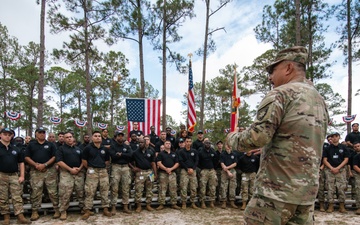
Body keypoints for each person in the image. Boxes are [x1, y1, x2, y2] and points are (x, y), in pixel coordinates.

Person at [227, 46, 328, 224]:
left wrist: (232, 138)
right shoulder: (319, 99)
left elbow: (257, 137)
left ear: (288, 68)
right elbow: (301, 138)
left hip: (275, 194)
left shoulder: (281, 94)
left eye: (273, 70)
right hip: (306, 196)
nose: (270, 77)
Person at [25, 127, 59, 221]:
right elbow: (27, 157)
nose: (42, 134)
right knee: (36, 191)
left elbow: (55, 156)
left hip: (50, 170)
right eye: (40, 132)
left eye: (43, 132)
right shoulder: (31, 145)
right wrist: (36, 165)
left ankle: (56, 209)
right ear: (36, 134)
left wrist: (45, 164)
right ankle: (35, 211)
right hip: (36, 171)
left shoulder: (50, 145)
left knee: (53, 191)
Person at [0, 128, 31, 224]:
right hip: (1, 175)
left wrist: (22, 176)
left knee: (17, 197)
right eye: (5, 134)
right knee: (3, 197)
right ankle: (6, 218)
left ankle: (20, 216)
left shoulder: (15, 148)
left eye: (9, 134)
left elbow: (21, 163)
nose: (7, 136)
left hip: (14, 175)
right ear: (0, 135)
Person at [81, 131, 112, 220]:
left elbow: (107, 161)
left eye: (99, 136)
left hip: (103, 171)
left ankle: (105, 209)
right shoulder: (87, 148)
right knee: (90, 191)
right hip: (92, 171)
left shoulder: (104, 149)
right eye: (95, 136)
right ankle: (87, 210)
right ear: (92, 138)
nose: (98, 137)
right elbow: (84, 161)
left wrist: (102, 167)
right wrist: (91, 168)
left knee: (105, 190)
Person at [56, 131, 85, 220]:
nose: (69, 138)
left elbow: (83, 161)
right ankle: (63, 211)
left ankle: (83, 208)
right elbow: (59, 161)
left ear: (73, 138)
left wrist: (79, 169)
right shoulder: (60, 149)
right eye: (67, 137)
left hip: (78, 173)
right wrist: (70, 169)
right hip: (66, 173)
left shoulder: (78, 149)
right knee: (65, 193)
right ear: (64, 139)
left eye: (71, 137)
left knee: (81, 191)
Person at [323, 132, 349, 213]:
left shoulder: (344, 147)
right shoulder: (327, 148)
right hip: (330, 170)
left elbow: (346, 159)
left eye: (336, 136)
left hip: (341, 170)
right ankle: (330, 206)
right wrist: (332, 168)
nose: (334, 138)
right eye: (332, 137)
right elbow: (324, 160)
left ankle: (342, 206)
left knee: (341, 188)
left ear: (339, 137)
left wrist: (338, 168)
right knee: (330, 188)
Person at [129, 138, 157, 213]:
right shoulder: (135, 152)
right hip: (140, 173)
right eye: (139, 142)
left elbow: (153, 163)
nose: (140, 143)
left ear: (145, 143)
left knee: (149, 189)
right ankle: (139, 206)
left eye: (142, 142)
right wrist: (133, 168)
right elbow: (129, 161)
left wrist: (155, 173)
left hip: (149, 172)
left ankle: (148, 205)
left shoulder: (151, 151)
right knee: (139, 189)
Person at [109, 131, 133, 215]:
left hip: (125, 167)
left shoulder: (126, 146)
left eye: (121, 136)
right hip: (116, 167)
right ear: (116, 137)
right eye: (119, 136)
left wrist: (121, 154)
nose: (120, 137)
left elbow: (130, 155)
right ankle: (113, 207)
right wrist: (121, 155)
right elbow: (113, 156)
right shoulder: (113, 146)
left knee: (126, 187)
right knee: (114, 187)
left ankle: (125, 206)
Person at [156, 140, 180, 210]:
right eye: (166, 143)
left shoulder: (174, 154)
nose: (168, 144)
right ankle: (161, 204)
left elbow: (177, 163)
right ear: (164, 145)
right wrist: (166, 169)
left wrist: (171, 169)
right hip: (163, 173)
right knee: (162, 188)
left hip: (172, 173)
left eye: (169, 143)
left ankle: (174, 203)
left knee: (173, 188)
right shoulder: (161, 154)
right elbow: (159, 163)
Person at [178, 137, 199, 209]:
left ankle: (192, 202)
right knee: (184, 187)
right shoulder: (181, 152)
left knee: (193, 187)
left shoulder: (194, 151)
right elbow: (181, 162)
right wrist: (187, 169)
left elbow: (196, 161)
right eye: (187, 141)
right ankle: (184, 203)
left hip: (193, 171)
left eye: (190, 141)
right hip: (184, 171)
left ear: (191, 142)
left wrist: (192, 169)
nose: (188, 143)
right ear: (184, 142)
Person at [198, 139, 218, 209]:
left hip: (212, 171)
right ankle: (202, 202)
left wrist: (214, 168)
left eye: (209, 143)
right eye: (206, 143)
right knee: (203, 186)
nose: (207, 144)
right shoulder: (200, 152)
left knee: (213, 187)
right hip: (204, 171)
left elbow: (216, 161)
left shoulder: (213, 151)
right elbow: (198, 162)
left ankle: (212, 202)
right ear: (204, 143)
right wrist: (202, 169)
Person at [219, 144, 238, 209]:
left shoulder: (234, 154)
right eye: (227, 145)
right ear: (225, 146)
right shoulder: (222, 154)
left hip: (232, 170)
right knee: (223, 186)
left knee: (233, 186)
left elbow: (235, 163)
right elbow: (222, 163)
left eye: (230, 145)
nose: (229, 147)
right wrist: (227, 171)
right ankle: (224, 202)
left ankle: (232, 201)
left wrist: (228, 168)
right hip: (224, 171)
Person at [352, 142, 360, 214]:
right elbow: (355, 166)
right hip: (358, 174)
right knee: (358, 191)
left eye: (359, 146)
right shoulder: (356, 156)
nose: (357, 147)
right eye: (356, 146)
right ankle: (359, 207)